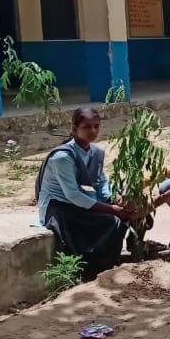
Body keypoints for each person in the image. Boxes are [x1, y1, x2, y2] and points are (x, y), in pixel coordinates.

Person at [35, 106, 135, 276]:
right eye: (87, 127)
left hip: (82, 201)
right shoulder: (62, 157)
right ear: (74, 129)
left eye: (96, 126)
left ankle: (117, 257)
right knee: (110, 220)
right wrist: (111, 209)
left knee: (131, 211)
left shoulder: (96, 152)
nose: (93, 131)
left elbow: (101, 182)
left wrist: (114, 198)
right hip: (60, 207)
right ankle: (93, 267)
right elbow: (72, 195)